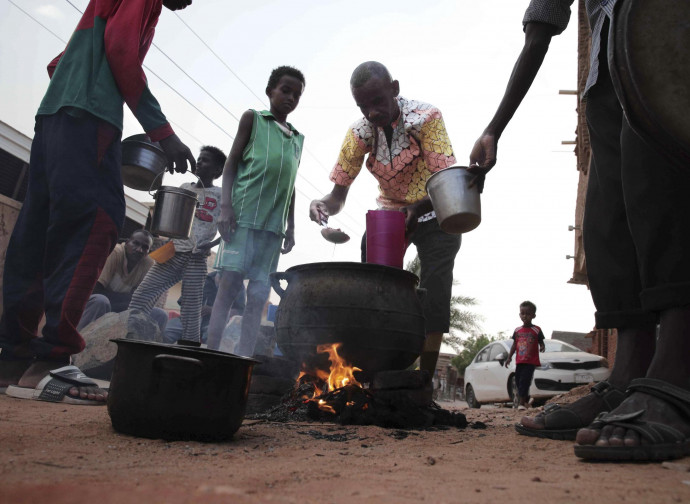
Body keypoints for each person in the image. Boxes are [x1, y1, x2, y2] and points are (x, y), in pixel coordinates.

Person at [468, 1, 690, 462]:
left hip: (667, 34)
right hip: (606, 71)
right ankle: (628, 375)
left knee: (661, 192)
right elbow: (543, 24)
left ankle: (677, 372)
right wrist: (496, 126)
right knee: (608, 218)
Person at [0, 0, 196, 405]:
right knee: (97, 224)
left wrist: (83, 87)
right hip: (89, 119)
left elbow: (59, 63)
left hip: (54, 117)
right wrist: (162, 133)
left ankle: (13, 362)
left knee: (35, 235)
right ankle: (51, 362)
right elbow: (121, 52)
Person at [309, 61, 461, 375]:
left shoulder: (426, 118)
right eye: (363, 106)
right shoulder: (359, 132)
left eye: (378, 101)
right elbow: (336, 197)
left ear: (394, 89)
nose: (372, 112)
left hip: (434, 210)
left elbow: (447, 181)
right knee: (375, 289)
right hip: (391, 214)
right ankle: (375, 370)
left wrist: (416, 210)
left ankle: (424, 378)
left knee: (435, 293)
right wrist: (320, 204)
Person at [205, 66, 305, 357]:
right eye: (285, 90)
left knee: (259, 294)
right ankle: (210, 354)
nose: (291, 97)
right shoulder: (254, 119)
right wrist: (225, 208)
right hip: (242, 219)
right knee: (229, 286)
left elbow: (291, 183)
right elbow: (231, 163)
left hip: (273, 229)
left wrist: (292, 226)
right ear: (270, 91)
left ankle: (243, 359)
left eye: (297, 94)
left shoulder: (297, 138)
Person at [128, 146, 225, 345]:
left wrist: (212, 244)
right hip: (173, 251)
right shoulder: (184, 188)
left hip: (197, 257)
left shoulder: (221, 195)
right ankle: (131, 332)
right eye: (199, 159)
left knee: (191, 308)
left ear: (217, 171)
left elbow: (230, 227)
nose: (199, 163)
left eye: (205, 161)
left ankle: (188, 346)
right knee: (143, 293)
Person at [76, 230, 168, 332]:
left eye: (145, 247)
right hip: (95, 304)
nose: (139, 250)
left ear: (148, 251)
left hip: (123, 309)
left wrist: (130, 300)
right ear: (127, 242)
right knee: (101, 301)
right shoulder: (115, 253)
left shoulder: (148, 263)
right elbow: (96, 290)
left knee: (160, 314)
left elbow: (141, 300)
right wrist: (129, 300)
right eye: (136, 243)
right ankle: (79, 340)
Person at [162, 271, 246, 345]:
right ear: (217, 277)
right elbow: (183, 302)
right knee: (166, 333)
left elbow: (239, 311)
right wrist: (194, 308)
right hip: (189, 319)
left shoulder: (238, 285)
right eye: (221, 283)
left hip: (216, 323)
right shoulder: (202, 278)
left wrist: (214, 310)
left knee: (213, 339)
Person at [504, 301, 545, 410]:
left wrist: (542, 346)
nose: (525, 316)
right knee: (518, 381)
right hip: (519, 361)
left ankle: (521, 403)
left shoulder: (537, 330)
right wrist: (509, 357)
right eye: (522, 313)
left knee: (524, 381)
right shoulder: (517, 330)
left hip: (530, 362)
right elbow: (514, 345)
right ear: (519, 315)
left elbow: (541, 341)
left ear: (533, 316)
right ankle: (527, 399)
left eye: (528, 314)